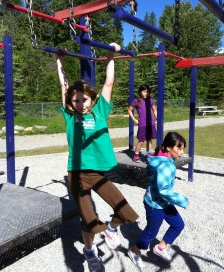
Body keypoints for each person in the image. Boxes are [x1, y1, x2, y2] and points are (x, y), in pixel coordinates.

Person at [56, 43, 139, 272]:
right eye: (76, 101)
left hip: (97, 174)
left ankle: (111, 228)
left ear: (92, 100)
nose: (81, 104)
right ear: (71, 103)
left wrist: (110, 55)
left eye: (85, 100)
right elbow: (63, 87)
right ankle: (90, 252)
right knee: (89, 220)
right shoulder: (70, 117)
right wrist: (59, 61)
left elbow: (108, 82)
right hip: (76, 174)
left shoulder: (100, 110)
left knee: (126, 212)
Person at [128, 132, 189, 268]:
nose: (181, 152)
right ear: (168, 148)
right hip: (155, 203)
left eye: (182, 148)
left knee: (178, 224)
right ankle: (134, 251)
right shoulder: (165, 165)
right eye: (179, 148)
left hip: (163, 202)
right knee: (151, 232)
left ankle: (160, 248)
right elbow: (164, 191)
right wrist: (183, 200)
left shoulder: (159, 157)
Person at [128, 84, 157, 163]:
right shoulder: (136, 101)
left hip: (151, 124)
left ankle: (148, 156)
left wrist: (157, 119)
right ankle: (136, 156)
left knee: (149, 140)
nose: (146, 94)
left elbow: (154, 110)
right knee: (141, 141)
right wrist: (134, 120)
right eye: (144, 92)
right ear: (140, 92)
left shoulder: (150, 101)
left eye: (147, 92)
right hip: (142, 124)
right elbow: (129, 110)